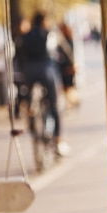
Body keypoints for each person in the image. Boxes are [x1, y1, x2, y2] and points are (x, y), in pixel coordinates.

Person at [20, 10, 70, 156]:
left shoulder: (25, 36)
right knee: (55, 104)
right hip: (47, 70)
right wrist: (71, 64)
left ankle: (31, 116)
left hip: (29, 71)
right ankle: (59, 139)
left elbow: (19, 55)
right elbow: (65, 50)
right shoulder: (50, 33)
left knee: (30, 97)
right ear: (44, 21)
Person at [54, 22, 80, 109]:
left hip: (67, 66)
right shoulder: (65, 40)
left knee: (68, 86)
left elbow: (69, 55)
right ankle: (71, 102)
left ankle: (74, 101)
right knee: (66, 86)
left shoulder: (66, 41)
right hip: (65, 66)